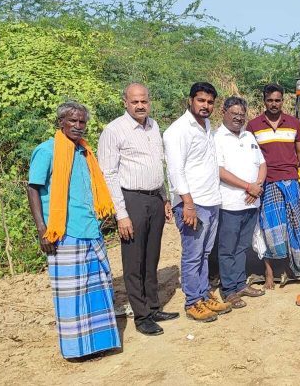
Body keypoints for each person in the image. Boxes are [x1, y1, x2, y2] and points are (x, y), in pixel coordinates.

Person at [27, 101, 120, 360]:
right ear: (61, 123)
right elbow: (33, 188)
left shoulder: (85, 152)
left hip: (90, 229)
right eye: (72, 121)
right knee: (71, 295)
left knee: (97, 287)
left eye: (82, 122)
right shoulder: (47, 151)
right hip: (64, 233)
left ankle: (100, 344)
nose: (78, 126)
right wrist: (42, 229)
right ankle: (77, 351)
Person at [98, 83, 178, 336]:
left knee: (152, 256)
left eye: (144, 101)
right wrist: (121, 214)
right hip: (131, 200)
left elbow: (158, 165)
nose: (140, 106)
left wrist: (164, 198)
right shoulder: (114, 130)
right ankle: (141, 316)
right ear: (125, 102)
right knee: (134, 260)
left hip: (154, 198)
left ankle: (153, 307)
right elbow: (108, 174)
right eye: (135, 102)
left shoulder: (153, 127)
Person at [164, 82, 232, 322]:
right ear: (190, 100)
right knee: (192, 255)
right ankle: (193, 302)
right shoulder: (178, 131)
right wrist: (188, 205)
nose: (206, 106)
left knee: (204, 254)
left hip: (211, 200)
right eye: (201, 100)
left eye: (210, 102)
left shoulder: (205, 126)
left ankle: (203, 295)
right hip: (193, 204)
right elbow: (175, 171)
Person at [246, 83, 300, 289]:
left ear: (283, 101)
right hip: (268, 183)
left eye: (278, 100)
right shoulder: (253, 126)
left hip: (291, 181)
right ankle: (269, 272)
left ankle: (299, 267)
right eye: (270, 100)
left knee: (296, 225)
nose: (274, 104)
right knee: (269, 228)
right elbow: (250, 158)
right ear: (264, 101)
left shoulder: (293, 123)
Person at [213, 96, 267, 308]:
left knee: (243, 247)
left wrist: (258, 185)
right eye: (234, 114)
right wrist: (248, 187)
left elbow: (262, 164)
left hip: (251, 202)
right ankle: (229, 290)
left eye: (241, 115)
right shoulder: (217, 138)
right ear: (224, 113)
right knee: (228, 248)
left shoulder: (248, 136)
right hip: (230, 204)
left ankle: (240, 283)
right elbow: (220, 171)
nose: (238, 118)